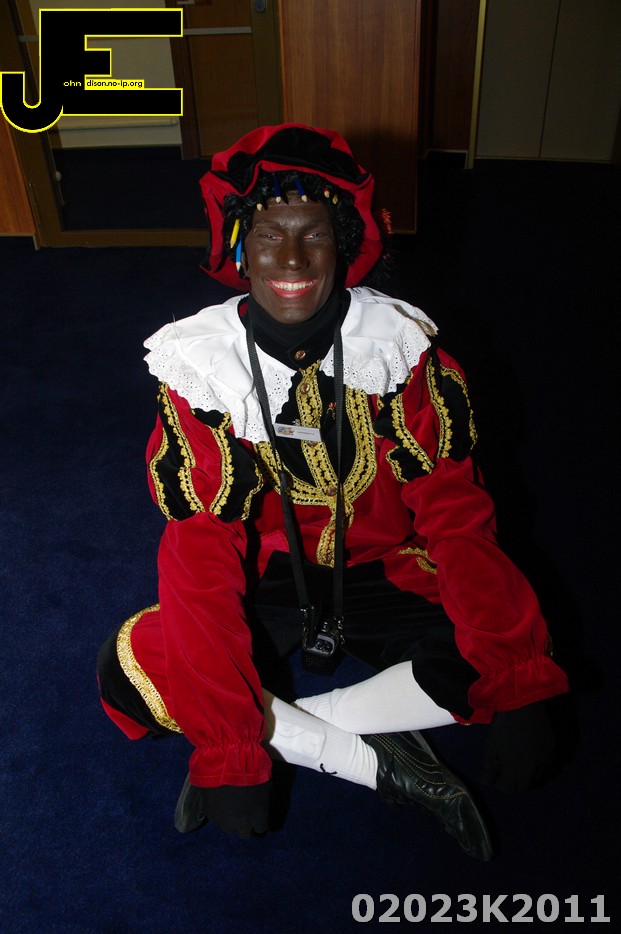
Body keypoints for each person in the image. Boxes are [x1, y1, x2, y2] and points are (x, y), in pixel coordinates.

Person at [97, 123, 569, 861]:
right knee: (132, 671)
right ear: (238, 249)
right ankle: (371, 760)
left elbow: (457, 520)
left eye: (313, 235)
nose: (291, 260)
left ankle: (300, 731)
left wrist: (517, 677)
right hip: (267, 577)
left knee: (508, 647)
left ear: (345, 244)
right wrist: (227, 748)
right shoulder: (201, 371)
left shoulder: (402, 352)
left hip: (386, 568)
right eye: (267, 236)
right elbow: (199, 558)